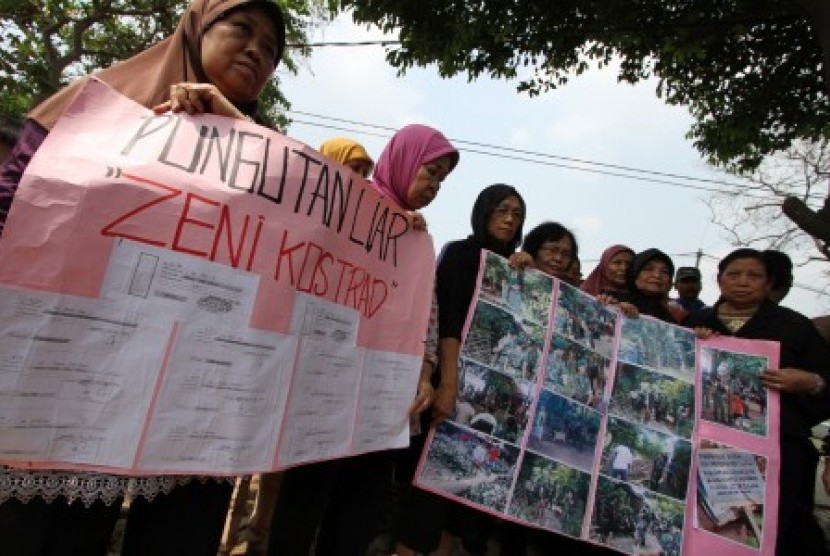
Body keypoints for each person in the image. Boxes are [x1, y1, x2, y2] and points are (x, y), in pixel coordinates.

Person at [0, 2, 286, 554]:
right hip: (77, 370)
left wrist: (239, 135)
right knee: (54, 526)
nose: (257, 51)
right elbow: (15, 203)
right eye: (243, 30)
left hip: (191, 390)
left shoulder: (270, 157)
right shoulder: (98, 106)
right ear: (197, 28)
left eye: (272, 49)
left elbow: (294, 253)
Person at [266, 123, 459, 556]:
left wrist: (425, 374)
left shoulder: (416, 239)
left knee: (359, 509)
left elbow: (426, 315)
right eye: (430, 172)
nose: (434, 187)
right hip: (325, 386)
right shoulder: (349, 208)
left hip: (384, 398)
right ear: (405, 161)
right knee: (305, 500)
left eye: (441, 181)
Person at [394, 184, 526, 556]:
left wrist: (526, 273)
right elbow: (447, 322)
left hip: (486, 399)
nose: (509, 219)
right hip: (450, 387)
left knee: (459, 503)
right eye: (501, 210)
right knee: (427, 494)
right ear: (483, 212)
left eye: (517, 214)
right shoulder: (460, 254)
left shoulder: (516, 268)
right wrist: (448, 383)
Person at [685, 248, 830, 555]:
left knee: (776, 534)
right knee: (708, 528)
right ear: (719, 280)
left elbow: (826, 383)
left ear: (768, 284)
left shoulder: (795, 327)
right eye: (734, 274)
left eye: (754, 276)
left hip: (779, 454)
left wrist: (810, 382)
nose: (743, 282)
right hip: (707, 451)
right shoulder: (696, 324)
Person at [604, 248, 686, 324]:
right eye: (648, 269)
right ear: (634, 275)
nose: (657, 275)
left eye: (664, 272)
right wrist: (611, 309)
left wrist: (698, 334)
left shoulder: (677, 316)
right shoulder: (611, 299)